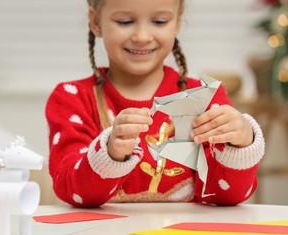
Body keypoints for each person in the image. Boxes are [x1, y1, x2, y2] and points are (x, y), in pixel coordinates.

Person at [45, 0, 265, 207]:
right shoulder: (71, 98)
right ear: (96, 22)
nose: (142, 36)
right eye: (125, 21)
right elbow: (71, 190)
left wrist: (242, 143)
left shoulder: (203, 97)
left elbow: (227, 196)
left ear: (178, 21)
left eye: (159, 21)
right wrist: (109, 154)